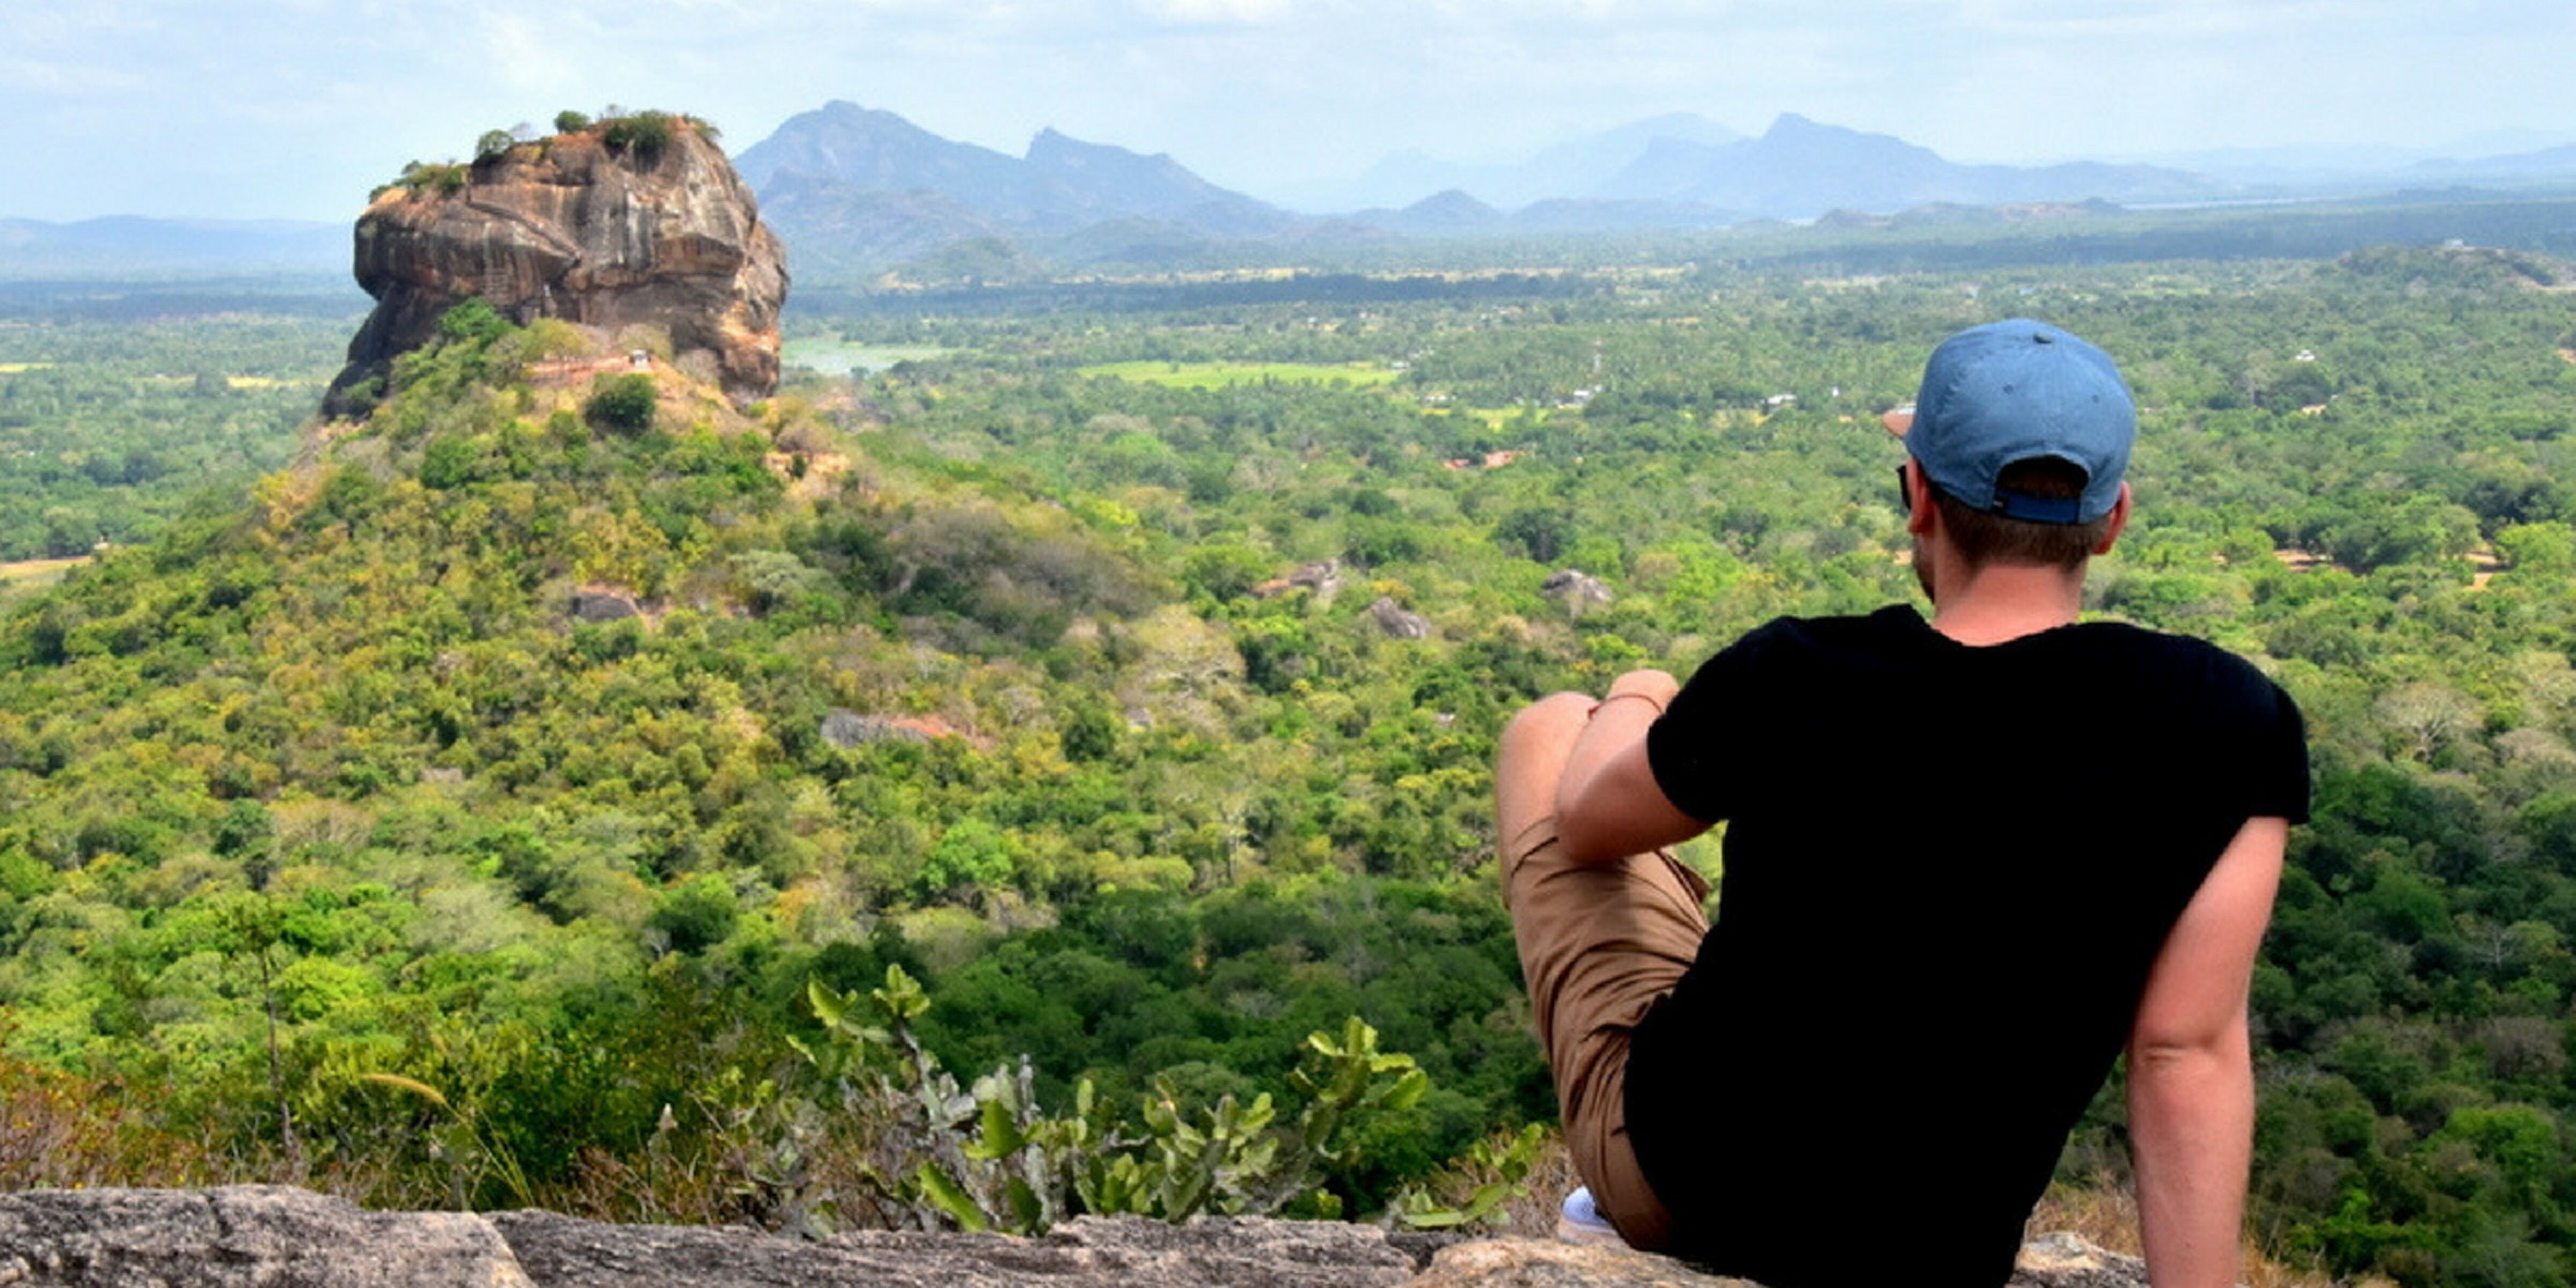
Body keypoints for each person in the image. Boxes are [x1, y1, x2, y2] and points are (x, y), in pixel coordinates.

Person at [1497, 319, 2308, 1288]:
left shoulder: (1794, 673)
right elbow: (2184, 1051)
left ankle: (1614, 1208)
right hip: (1939, 1245)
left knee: (1548, 730)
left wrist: (1639, 688)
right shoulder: (2229, 721)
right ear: (2113, 517)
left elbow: (1586, 824)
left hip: (1688, 1180)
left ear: (1919, 496)